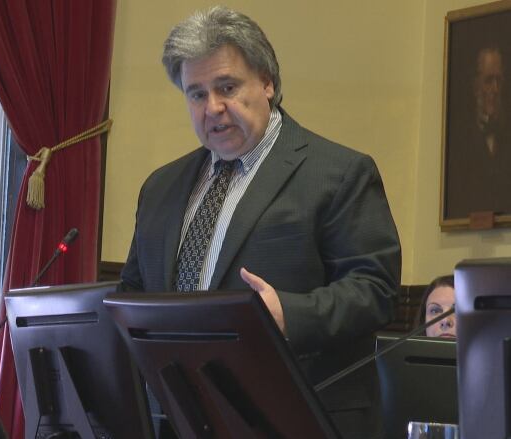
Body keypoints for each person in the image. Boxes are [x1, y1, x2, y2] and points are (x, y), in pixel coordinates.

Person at [119, 6, 401, 439]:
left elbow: (375, 289)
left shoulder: (337, 173)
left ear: (267, 82)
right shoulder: (161, 187)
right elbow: (133, 292)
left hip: (294, 418)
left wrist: (290, 314)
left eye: (227, 87)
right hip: (177, 418)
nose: (212, 107)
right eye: (196, 94)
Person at [445, 46, 511, 219]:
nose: (495, 89)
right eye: (489, 80)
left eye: (499, 80)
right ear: (475, 85)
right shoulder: (458, 139)